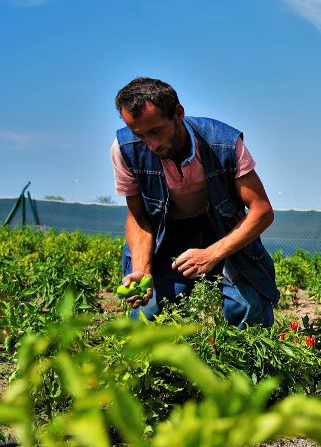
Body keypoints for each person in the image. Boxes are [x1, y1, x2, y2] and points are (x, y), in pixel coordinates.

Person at [112, 77, 279, 327]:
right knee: (147, 317)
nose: (151, 144)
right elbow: (139, 216)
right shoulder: (124, 149)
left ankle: (245, 366)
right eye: (140, 134)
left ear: (178, 113)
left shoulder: (224, 143)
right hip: (164, 237)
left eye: (156, 131)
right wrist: (142, 269)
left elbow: (261, 211)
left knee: (249, 307)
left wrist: (212, 253)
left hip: (222, 232)